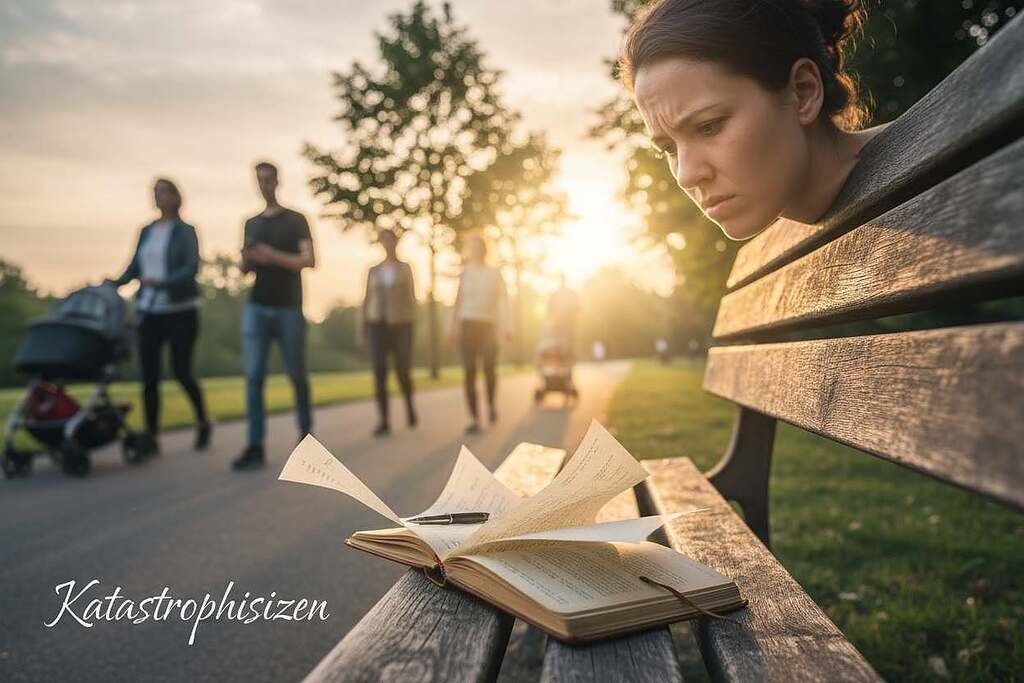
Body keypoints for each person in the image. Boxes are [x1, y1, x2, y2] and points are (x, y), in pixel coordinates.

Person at [619, 0, 887, 243]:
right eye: (669, 148)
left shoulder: (927, 163)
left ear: (803, 92)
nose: (686, 176)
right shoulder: (782, 243)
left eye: (708, 126)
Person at [109, 178, 211, 455]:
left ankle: (203, 421)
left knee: (181, 371)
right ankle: (151, 435)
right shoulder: (147, 231)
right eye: (154, 192)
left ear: (175, 197)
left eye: (163, 192)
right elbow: (135, 266)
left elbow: (191, 267)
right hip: (149, 310)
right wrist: (114, 283)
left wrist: (162, 282)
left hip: (181, 310)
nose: (158, 196)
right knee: (149, 376)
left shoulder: (186, 231)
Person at [233, 161, 316, 471]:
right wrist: (247, 260)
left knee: (296, 374)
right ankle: (255, 446)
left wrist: (272, 256)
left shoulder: (296, 220)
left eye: (269, 179)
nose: (264, 184)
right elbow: (245, 270)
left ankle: (307, 443)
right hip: (257, 306)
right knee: (254, 376)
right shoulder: (250, 223)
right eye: (259, 180)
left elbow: (309, 260)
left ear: (278, 181)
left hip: (289, 307)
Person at [448, 233, 510, 434]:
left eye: (478, 246)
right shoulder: (465, 273)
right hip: (467, 325)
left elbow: (503, 302)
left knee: (489, 369)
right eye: (471, 247)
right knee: (469, 372)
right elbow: (457, 302)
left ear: (485, 249)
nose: (475, 250)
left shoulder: (494, 273)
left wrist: (506, 327)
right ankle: (474, 417)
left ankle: (491, 404)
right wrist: (452, 328)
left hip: (488, 326)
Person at [360, 229, 418, 437]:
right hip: (377, 324)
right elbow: (366, 299)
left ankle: (409, 406)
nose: (387, 244)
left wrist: (412, 325)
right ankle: (384, 420)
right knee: (379, 372)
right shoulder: (373, 270)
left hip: (402, 324)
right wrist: (363, 328)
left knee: (403, 369)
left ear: (396, 242)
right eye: (383, 240)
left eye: (390, 240)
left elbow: (412, 298)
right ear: (381, 244)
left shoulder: (405, 268)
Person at [547, 274, 581, 358]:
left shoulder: (569, 293)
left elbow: (578, 306)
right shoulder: (556, 294)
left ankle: (568, 358)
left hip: (568, 321)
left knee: (568, 340)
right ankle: (561, 357)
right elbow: (549, 307)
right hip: (560, 322)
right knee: (558, 339)